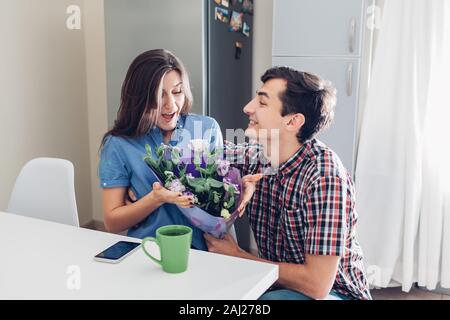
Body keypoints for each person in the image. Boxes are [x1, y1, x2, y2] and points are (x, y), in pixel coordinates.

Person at [204, 66, 372, 300]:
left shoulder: (324, 178)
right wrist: (141, 178)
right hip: (280, 286)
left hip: (336, 294)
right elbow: (202, 156)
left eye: (262, 103)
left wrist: (238, 255)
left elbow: (317, 285)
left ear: (293, 121)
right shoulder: (258, 155)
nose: (248, 108)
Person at [98, 49, 223, 250]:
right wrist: (154, 199)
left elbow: (222, 195)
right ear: (139, 97)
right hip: (148, 251)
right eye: (159, 95)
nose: (170, 105)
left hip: (205, 252)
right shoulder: (119, 144)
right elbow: (112, 223)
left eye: (177, 92)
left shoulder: (207, 129)